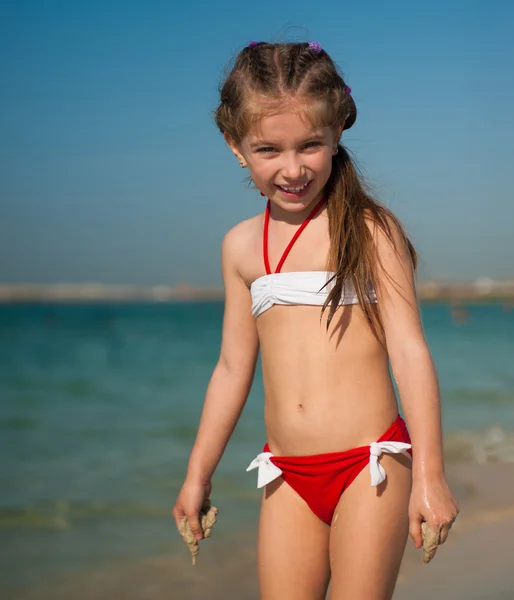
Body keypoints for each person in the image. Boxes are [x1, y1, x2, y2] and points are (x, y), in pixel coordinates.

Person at [173, 40, 459, 600]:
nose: (293, 167)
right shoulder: (240, 248)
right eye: (268, 150)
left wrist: (430, 475)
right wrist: (196, 473)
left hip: (368, 467)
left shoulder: (371, 231)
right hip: (286, 474)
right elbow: (233, 368)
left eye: (309, 145)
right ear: (235, 147)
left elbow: (410, 353)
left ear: (336, 134)